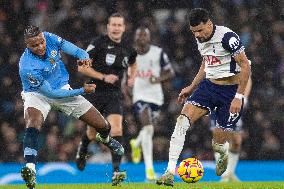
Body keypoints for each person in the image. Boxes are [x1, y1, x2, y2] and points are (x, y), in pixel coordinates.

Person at [19, 25, 124, 189]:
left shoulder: (49, 37)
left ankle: (105, 139)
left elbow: (74, 49)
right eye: (34, 45)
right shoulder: (27, 66)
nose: (40, 47)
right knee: (33, 122)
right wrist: (82, 90)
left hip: (62, 87)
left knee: (104, 126)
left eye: (41, 42)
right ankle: (30, 169)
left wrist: (84, 56)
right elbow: (52, 94)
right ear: (27, 45)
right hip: (38, 93)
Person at [156, 8, 251, 186]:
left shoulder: (227, 37)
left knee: (218, 143)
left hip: (230, 92)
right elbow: (206, 61)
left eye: (200, 30)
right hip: (209, 87)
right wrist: (192, 87)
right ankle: (169, 172)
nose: (197, 35)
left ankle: (222, 153)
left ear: (209, 23)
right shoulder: (200, 38)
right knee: (182, 121)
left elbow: (245, 65)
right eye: (193, 32)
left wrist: (239, 96)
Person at [75, 13, 137, 186]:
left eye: (119, 25)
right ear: (108, 27)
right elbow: (81, 67)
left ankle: (116, 172)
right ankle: (83, 149)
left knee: (116, 129)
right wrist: (103, 77)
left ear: (124, 28)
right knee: (92, 133)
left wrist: (132, 77)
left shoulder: (128, 48)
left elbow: (133, 62)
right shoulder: (97, 43)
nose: (116, 28)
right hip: (94, 93)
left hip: (114, 95)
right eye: (113, 25)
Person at [129, 27, 175, 181]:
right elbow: (125, 76)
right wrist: (126, 92)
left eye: (144, 35)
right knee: (148, 128)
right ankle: (149, 171)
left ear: (149, 38)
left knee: (148, 131)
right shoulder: (130, 55)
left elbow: (170, 72)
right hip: (139, 95)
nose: (142, 37)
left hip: (156, 97)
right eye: (139, 34)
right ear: (135, 37)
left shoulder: (158, 53)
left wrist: (159, 79)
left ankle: (137, 143)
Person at [211, 76, 252, 182]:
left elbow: (247, 79)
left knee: (236, 141)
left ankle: (230, 173)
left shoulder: (241, 60)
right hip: (217, 101)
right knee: (219, 135)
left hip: (234, 102)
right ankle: (224, 175)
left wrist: (244, 98)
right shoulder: (213, 60)